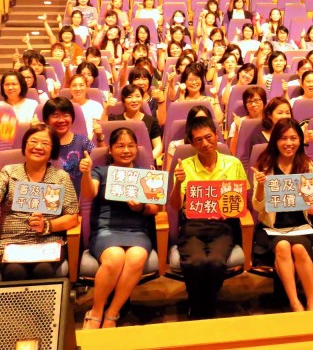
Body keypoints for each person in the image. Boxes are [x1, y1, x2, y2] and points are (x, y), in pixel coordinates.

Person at [170, 116, 249, 319]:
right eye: (198, 140)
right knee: (196, 262)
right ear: (191, 142)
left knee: (214, 262)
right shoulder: (184, 166)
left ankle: (206, 305)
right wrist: (178, 183)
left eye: (208, 137)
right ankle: (198, 308)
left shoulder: (233, 164)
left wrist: (229, 211)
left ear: (216, 135)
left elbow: (242, 200)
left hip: (222, 226)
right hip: (193, 226)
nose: (205, 143)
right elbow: (175, 206)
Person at [80, 127, 157, 328]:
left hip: (137, 231)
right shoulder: (101, 171)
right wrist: (86, 174)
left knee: (136, 256)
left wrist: (140, 207)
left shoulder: (145, 174)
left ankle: (112, 313)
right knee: (115, 257)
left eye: (131, 145)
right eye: (120, 146)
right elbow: (89, 193)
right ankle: (96, 311)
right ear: (110, 150)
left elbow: (154, 209)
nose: (126, 150)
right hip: (106, 230)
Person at [251, 118, 313, 311]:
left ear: (300, 140)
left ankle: (312, 302)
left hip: (301, 226)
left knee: (298, 248)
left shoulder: (307, 165)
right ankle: (295, 302)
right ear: (275, 141)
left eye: (293, 138)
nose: (288, 143)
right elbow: (257, 207)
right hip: (272, 228)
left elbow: (312, 201)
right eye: (283, 139)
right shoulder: (264, 166)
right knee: (282, 246)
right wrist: (261, 186)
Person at [0, 124, 79, 280]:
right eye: (33, 141)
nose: (38, 147)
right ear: (24, 145)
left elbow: (72, 217)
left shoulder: (60, 177)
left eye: (45, 143)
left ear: (53, 150)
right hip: (12, 242)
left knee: (43, 270)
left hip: (48, 242)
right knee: (14, 272)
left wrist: (47, 225)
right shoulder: (9, 172)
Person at [43, 97, 95, 196]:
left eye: (66, 115)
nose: (61, 120)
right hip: (50, 199)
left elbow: (99, 167)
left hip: (79, 198)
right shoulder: (42, 144)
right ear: (46, 120)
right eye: (55, 116)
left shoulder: (83, 141)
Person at [108, 84, 163, 164]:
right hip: (120, 162)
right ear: (123, 101)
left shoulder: (151, 121)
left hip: (146, 163)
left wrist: (147, 159)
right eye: (129, 97)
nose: (134, 100)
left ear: (142, 98)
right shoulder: (115, 120)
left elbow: (158, 146)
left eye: (138, 96)